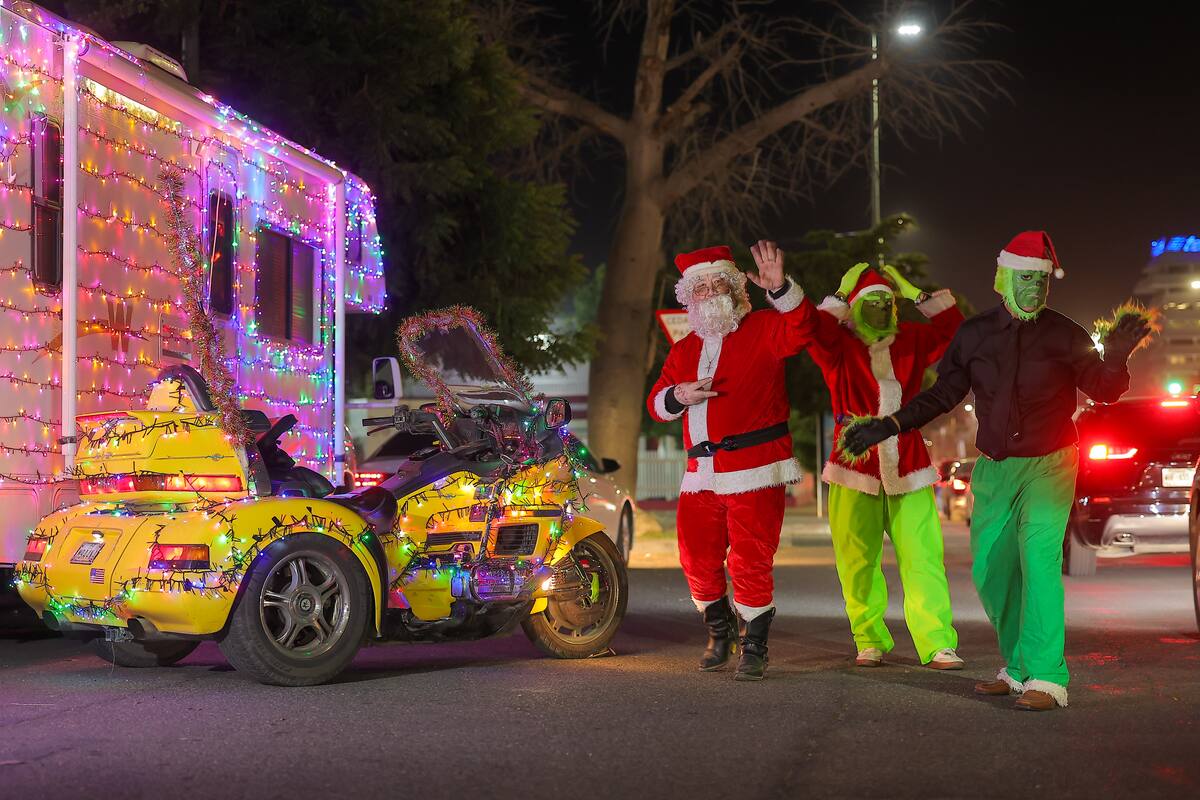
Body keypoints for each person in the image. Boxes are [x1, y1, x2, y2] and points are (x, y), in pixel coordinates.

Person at [843, 231, 1151, 711]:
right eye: (1025, 278)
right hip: (994, 469)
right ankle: (1018, 667)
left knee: (1039, 564)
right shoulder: (975, 334)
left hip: (1050, 465)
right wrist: (889, 425)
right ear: (1003, 277)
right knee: (991, 571)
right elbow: (943, 394)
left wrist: (1115, 358)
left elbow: (1104, 390)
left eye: (1042, 281)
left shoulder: (1064, 334)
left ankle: (1047, 677)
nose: (1034, 288)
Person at [646, 241, 814, 680]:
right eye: (698, 287)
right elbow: (656, 403)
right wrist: (678, 395)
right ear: (689, 297)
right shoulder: (684, 350)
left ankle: (755, 645)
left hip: (756, 469)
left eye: (716, 282)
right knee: (695, 557)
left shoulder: (763, 328)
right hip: (701, 474)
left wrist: (781, 291)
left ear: (736, 288)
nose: (707, 292)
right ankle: (720, 632)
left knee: (750, 559)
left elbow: (801, 330)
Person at [808, 262, 965, 669]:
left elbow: (954, 334)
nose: (880, 306)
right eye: (871, 300)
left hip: (907, 458)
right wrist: (841, 293)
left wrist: (916, 294)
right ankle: (869, 638)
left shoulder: (911, 339)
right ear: (856, 307)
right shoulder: (839, 345)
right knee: (857, 559)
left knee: (923, 555)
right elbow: (812, 330)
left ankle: (936, 642)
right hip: (853, 460)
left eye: (887, 300)